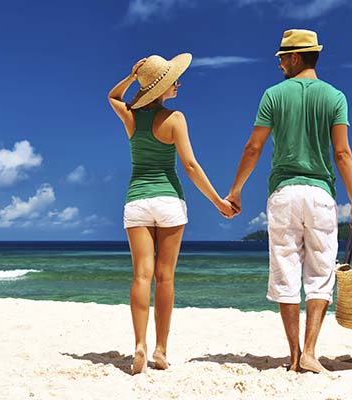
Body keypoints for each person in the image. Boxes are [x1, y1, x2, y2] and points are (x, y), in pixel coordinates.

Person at [225, 29, 352, 373]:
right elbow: (342, 153)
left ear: (297, 57)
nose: (279, 64)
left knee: (285, 273)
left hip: (285, 194)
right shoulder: (335, 97)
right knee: (320, 274)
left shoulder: (273, 95)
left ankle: (293, 355)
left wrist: (236, 189)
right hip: (319, 194)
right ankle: (311, 353)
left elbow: (253, 147)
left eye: (282, 58)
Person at [108, 54, 237, 374]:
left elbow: (112, 95)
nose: (178, 84)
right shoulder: (175, 118)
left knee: (141, 275)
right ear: (161, 88)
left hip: (137, 201)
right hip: (168, 202)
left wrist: (131, 75)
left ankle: (139, 344)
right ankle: (161, 350)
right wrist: (218, 202)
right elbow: (191, 166)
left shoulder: (131, 117)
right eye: (172, 81)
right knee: (165, 277)